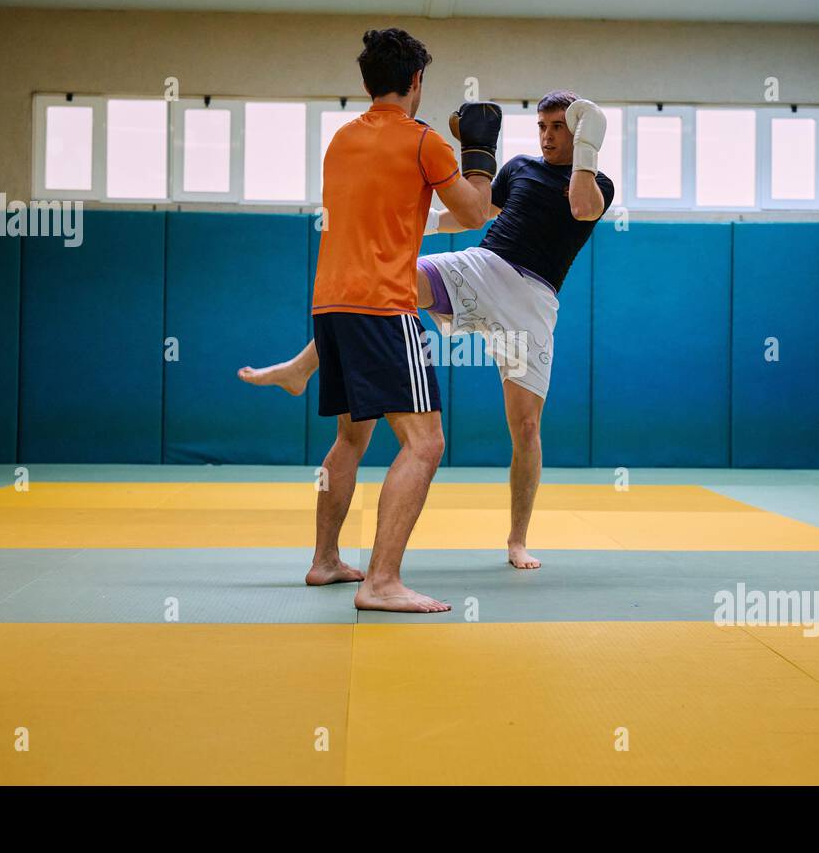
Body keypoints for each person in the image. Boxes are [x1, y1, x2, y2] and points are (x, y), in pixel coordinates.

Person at [241, 91, 610, 572]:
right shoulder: (519, 167)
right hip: (483, 265)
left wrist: (589, 142)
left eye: (559, 126)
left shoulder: (597, 181)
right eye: (542, 126)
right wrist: (421, 224)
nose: (547, 136)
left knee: (525, 427)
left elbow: (581, 208)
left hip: (533, 301)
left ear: (578, 132)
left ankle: (517, 540)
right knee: (389, 281)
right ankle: (300, 367)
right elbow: (475, 213)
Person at [295, 27, 499, 613]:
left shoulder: (340, 141)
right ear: (416, 82)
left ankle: (325, 560)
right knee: (425, 443)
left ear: (365, 82)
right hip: (383, 308)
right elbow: (475, 211)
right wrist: (480, 153)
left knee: (350, 436)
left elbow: (395, 214)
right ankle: (382, 581)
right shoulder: (423, 141)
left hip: (329, 306)